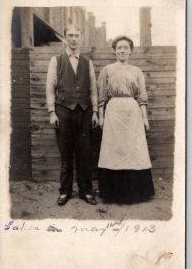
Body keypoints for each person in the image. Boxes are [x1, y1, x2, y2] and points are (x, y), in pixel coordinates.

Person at [98, 35, 155, 204]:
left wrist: (145, 118)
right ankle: (113, 193)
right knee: (114, 149)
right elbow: (101, 97)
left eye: (125, 48)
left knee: (133, 149)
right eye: (119, 48)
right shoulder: (107, 70)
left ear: (130, 51)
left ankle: (136, 193)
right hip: (113, 112)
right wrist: (100, 117)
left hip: (133, 113)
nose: (122, 51)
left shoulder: (137, 71)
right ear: (114, 51)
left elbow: (142, 97)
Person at [46, 24, 99, 205]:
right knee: (65, 153)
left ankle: (86, 191)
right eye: (70, 35)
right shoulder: (56, 61)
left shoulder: (87, 62)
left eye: (77, 35)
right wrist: (52, 112)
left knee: (85, 153)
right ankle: (65, 191)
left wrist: (95, 112)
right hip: (63, 112)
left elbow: (93, 89)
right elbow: (50, 88)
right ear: (65, 38)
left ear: (81, 38)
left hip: (84, 112)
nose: (74, 39)